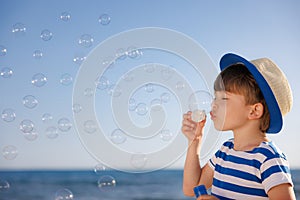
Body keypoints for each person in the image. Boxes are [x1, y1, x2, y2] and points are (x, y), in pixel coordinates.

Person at [181, 53, 296, 199]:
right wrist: (195, 141)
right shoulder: (225, 151)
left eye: (223, 98)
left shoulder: (268, 159)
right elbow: (192, 188)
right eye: (215, 97)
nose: (213, 104)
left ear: (254, 111)